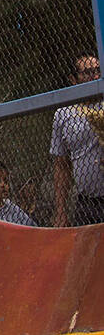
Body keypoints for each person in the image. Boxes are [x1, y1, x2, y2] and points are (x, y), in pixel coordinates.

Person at [51, 54, 104, 225]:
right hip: (88, 202)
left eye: (98, 71)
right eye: (88, 73)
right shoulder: (64, 114)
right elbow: (61, 165)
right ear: (74, 79)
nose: (95, 77)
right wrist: (60, 211)